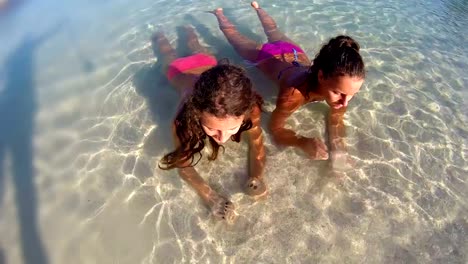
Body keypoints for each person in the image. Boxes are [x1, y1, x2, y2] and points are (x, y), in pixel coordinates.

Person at [210, 2, 365, 167]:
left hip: (293, 52)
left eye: (352, 94)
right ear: (321, 76)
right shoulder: (292, 96)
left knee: (273, 30)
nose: (345, 102)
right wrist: (301, 142)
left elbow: (336, 117)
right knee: (234, 36)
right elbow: (274, 128)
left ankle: (257, 8)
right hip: (265, 56)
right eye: (339, 93)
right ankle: (218, 13)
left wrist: (339, 151)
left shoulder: (341, 88)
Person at [154, 26, 266, 221]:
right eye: (212, 129)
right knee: (167, 54)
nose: (222, 139)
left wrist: (257, 176)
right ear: (195, 111)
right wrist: (209, 196)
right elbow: (183, 164)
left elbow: (258, 147)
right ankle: (158, 33)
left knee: (193, 44)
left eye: (232, 128)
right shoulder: (182, 120)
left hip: (207, 64)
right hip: (177, 69)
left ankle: (183, 29)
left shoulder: (249, 108)